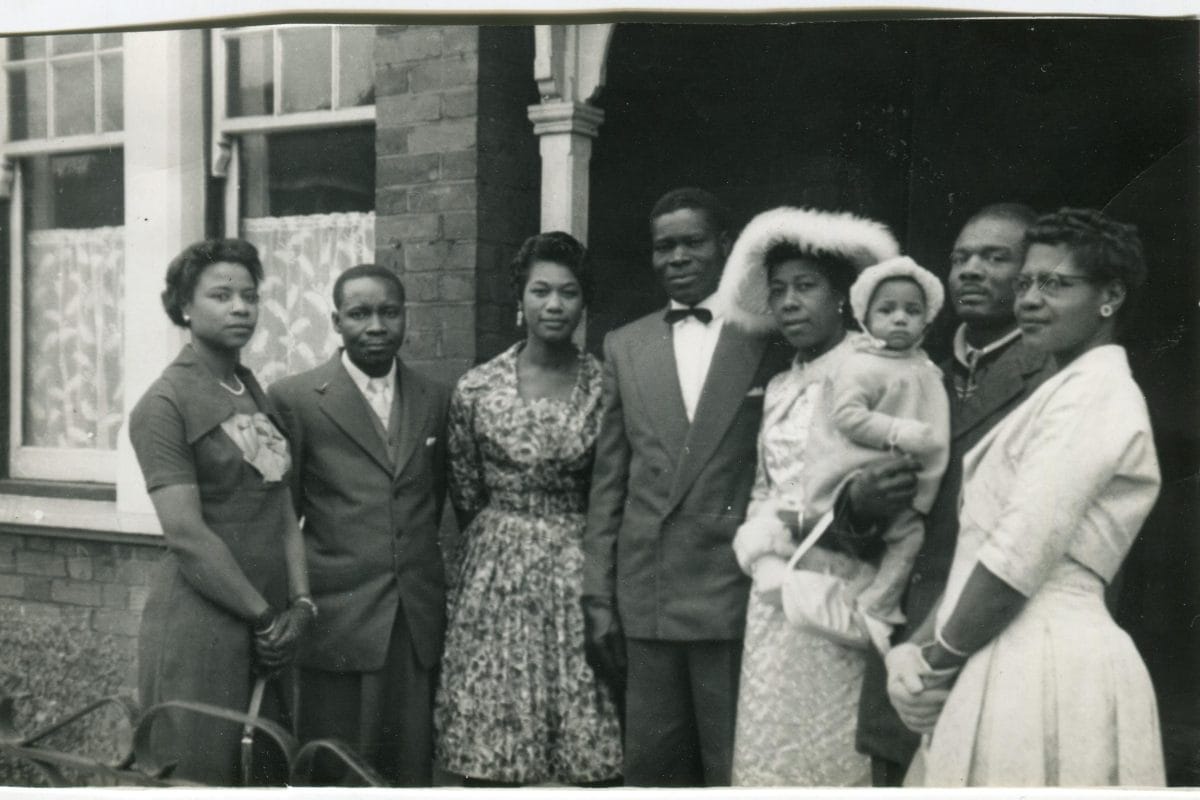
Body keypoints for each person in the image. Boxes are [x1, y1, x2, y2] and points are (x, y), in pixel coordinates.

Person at [886, 208, 1165, 786]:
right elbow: (983, 547)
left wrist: (935, 663)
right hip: (998, 647)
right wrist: (915, 653)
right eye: (1027, 283)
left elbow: (1019, 552)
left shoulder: (1097, 393)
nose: (1031, 300)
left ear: (1109, 296)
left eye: (1056, 284)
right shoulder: (1067, 390)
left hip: (1047, 660)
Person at [582, 188, 792, 786]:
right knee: (652, 768)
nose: (677, 257)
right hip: (650, 594)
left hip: (733, 588)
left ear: (725, 247)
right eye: (663, 246)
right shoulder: (625, 345)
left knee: (733, 764)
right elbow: (609, 483)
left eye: (692, 242)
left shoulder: (766, 334)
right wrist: (597, 596)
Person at [854, 203, 1052, 785]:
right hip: (899, 648)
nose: (970, 270)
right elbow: (857, 519)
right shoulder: (915, 375)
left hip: (986, 642)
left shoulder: (1052, 379)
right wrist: (859, 504)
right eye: (961, 257)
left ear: (1032, 274)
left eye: (995, 257)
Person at [716, 205, 900, 786]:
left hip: (843, 589)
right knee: (774, 748)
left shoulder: (876, 371)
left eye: (806, 286)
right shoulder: (778, 384)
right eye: (777, 290)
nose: (789, 302)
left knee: (835, 752)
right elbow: (765, 486)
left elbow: (889, 491)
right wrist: (761, 557)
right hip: (773, 599)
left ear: (843, 296)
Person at [434, 232, 622, 786]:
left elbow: (611, 486)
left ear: (584, 302)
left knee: (580, 724)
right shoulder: (476, 388)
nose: (554, 305)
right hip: (496, 575)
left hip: (576, 569)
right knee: (496, 723)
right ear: (520, 299)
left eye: (568, 293)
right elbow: (467, 493)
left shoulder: (606, 386)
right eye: (541, 291)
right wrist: (506, 542)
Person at [129, 239, 313, 785]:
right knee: (203, 775)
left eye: (250, 297)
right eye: (221, 295)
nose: (240, 308)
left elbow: (283, 510)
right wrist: (265, 618)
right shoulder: (163, 404)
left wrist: (301, 604)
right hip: (204, 624)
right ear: (185, 307)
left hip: (273, 624)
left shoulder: (257, 396)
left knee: (264, 771)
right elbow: (186, 534)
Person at [267, 264, 451, 786]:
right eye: (360, 313)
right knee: (337, 765)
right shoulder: (296, 399)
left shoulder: (434, 397)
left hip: (412, 621)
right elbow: (286, 511)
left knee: (408, 766)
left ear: (405, 318)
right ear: (336, 320)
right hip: (339, 616)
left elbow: (428, 501)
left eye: (389, 312)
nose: (376, 325)